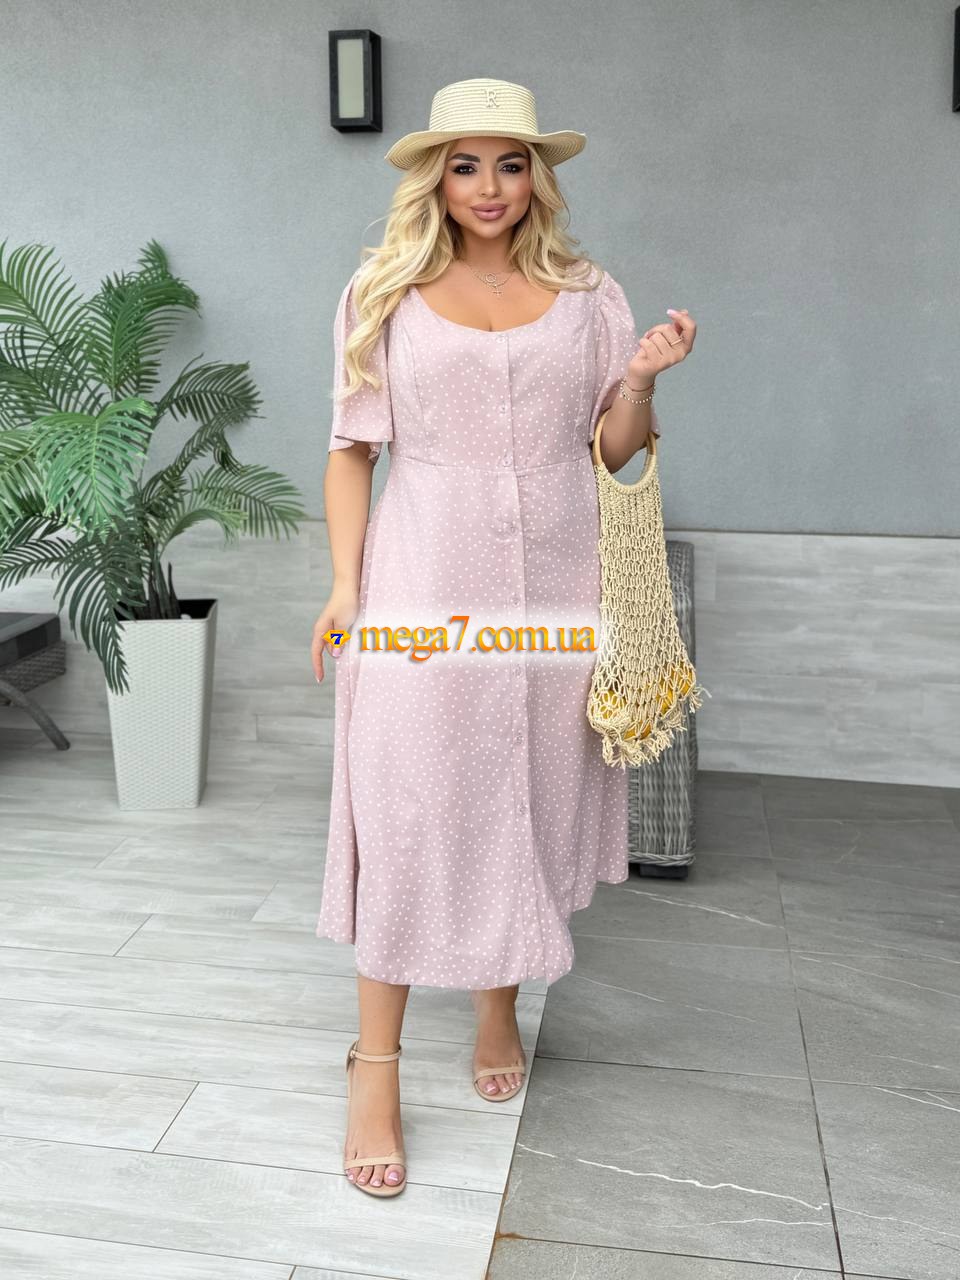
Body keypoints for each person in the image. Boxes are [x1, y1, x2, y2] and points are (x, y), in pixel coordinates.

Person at [311, 78, 695, 1198]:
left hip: (559, 590)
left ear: (538, 177)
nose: (489, 187)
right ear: (437, 178)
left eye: (510, 164)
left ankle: (498, 1005)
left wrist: (638, 379)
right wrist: (346, 585)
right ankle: (374, 1066)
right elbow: (351, 449)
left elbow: (611, 448)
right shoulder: (384, 291)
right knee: (410, 805)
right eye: (466, 165)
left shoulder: (589, 295)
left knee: (522, 791)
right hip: (425, 584)